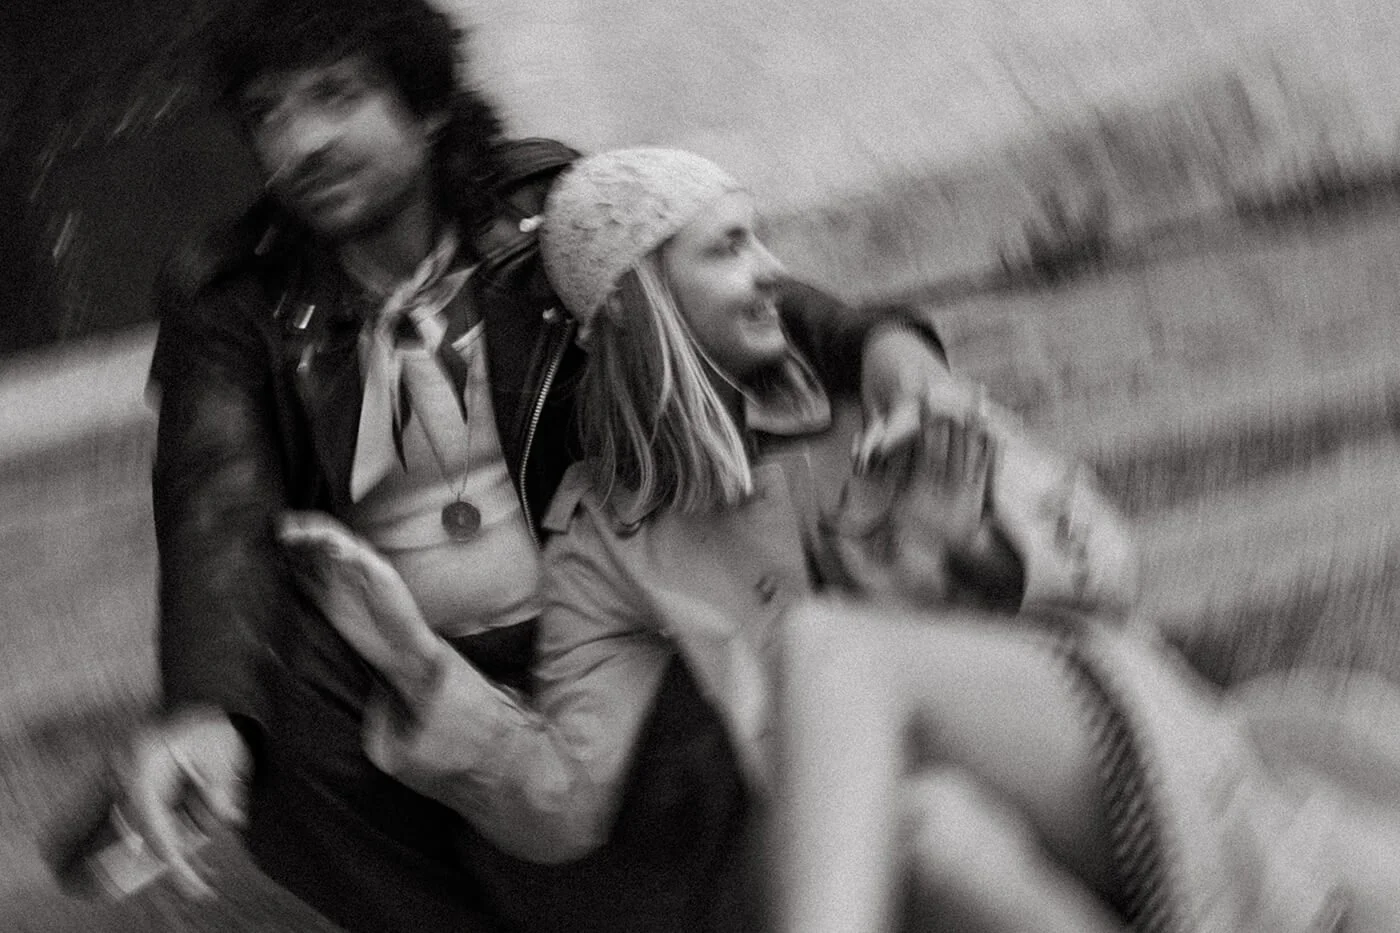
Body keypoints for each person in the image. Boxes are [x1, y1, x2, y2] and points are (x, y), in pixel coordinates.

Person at [285, 148, 1400, 933]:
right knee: (924, 834)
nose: (771, 268)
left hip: (1090, 740)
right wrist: (422, 673)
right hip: (942, 837)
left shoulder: (875, 397)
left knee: (824, 646)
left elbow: (1105, 565)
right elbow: (568, 800)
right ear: (635, 305)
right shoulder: (607, 536)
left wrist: (968, 548)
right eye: (726, 249)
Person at [122, 4, 961, 932]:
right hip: (405, 663)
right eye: (269, 113)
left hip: (598, 626)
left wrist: (884, 348)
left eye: (336, 95)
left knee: (712, 579)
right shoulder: (235, 299)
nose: (303, 140)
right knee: (268, 695)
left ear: (427, 102)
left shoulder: (544, 211)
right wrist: (203, 708)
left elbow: (732, 294)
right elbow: (215, 494)